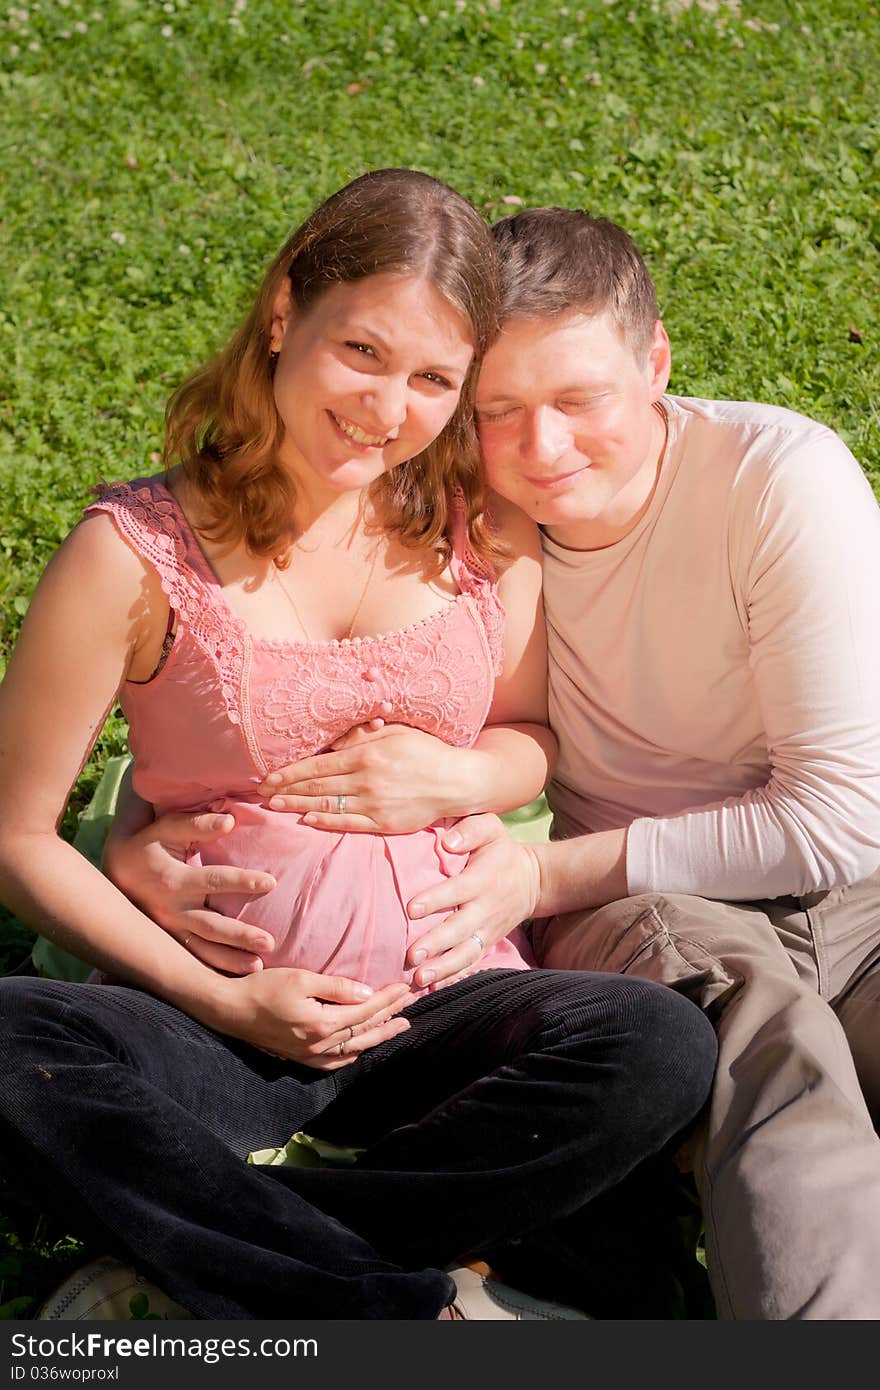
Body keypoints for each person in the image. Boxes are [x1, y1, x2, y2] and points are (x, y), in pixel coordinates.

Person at [133, 203, 880, 1321]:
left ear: (657, 362)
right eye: (497, 410)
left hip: (850, 891)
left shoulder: (774, 477)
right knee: (776, 1054)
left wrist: (536, 876)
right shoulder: (442, 525)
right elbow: (241, 705)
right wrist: (136, 847)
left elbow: (843, 817)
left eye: (580, 399)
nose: (541, 449)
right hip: (650, 895)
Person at [0, 172, 717, 1321]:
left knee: (659, 1045)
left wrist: (469, 774)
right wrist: (224, 1002)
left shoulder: (485, 524)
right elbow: (15, 839)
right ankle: (396, 1296)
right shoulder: (130, 553)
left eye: (434, 379)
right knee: (12, 1035)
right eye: (363, 354)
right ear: (285, 312)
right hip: (214, 1016)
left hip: (448, 1005)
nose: (389, 410)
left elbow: (528, 734)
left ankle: (236, 1260)